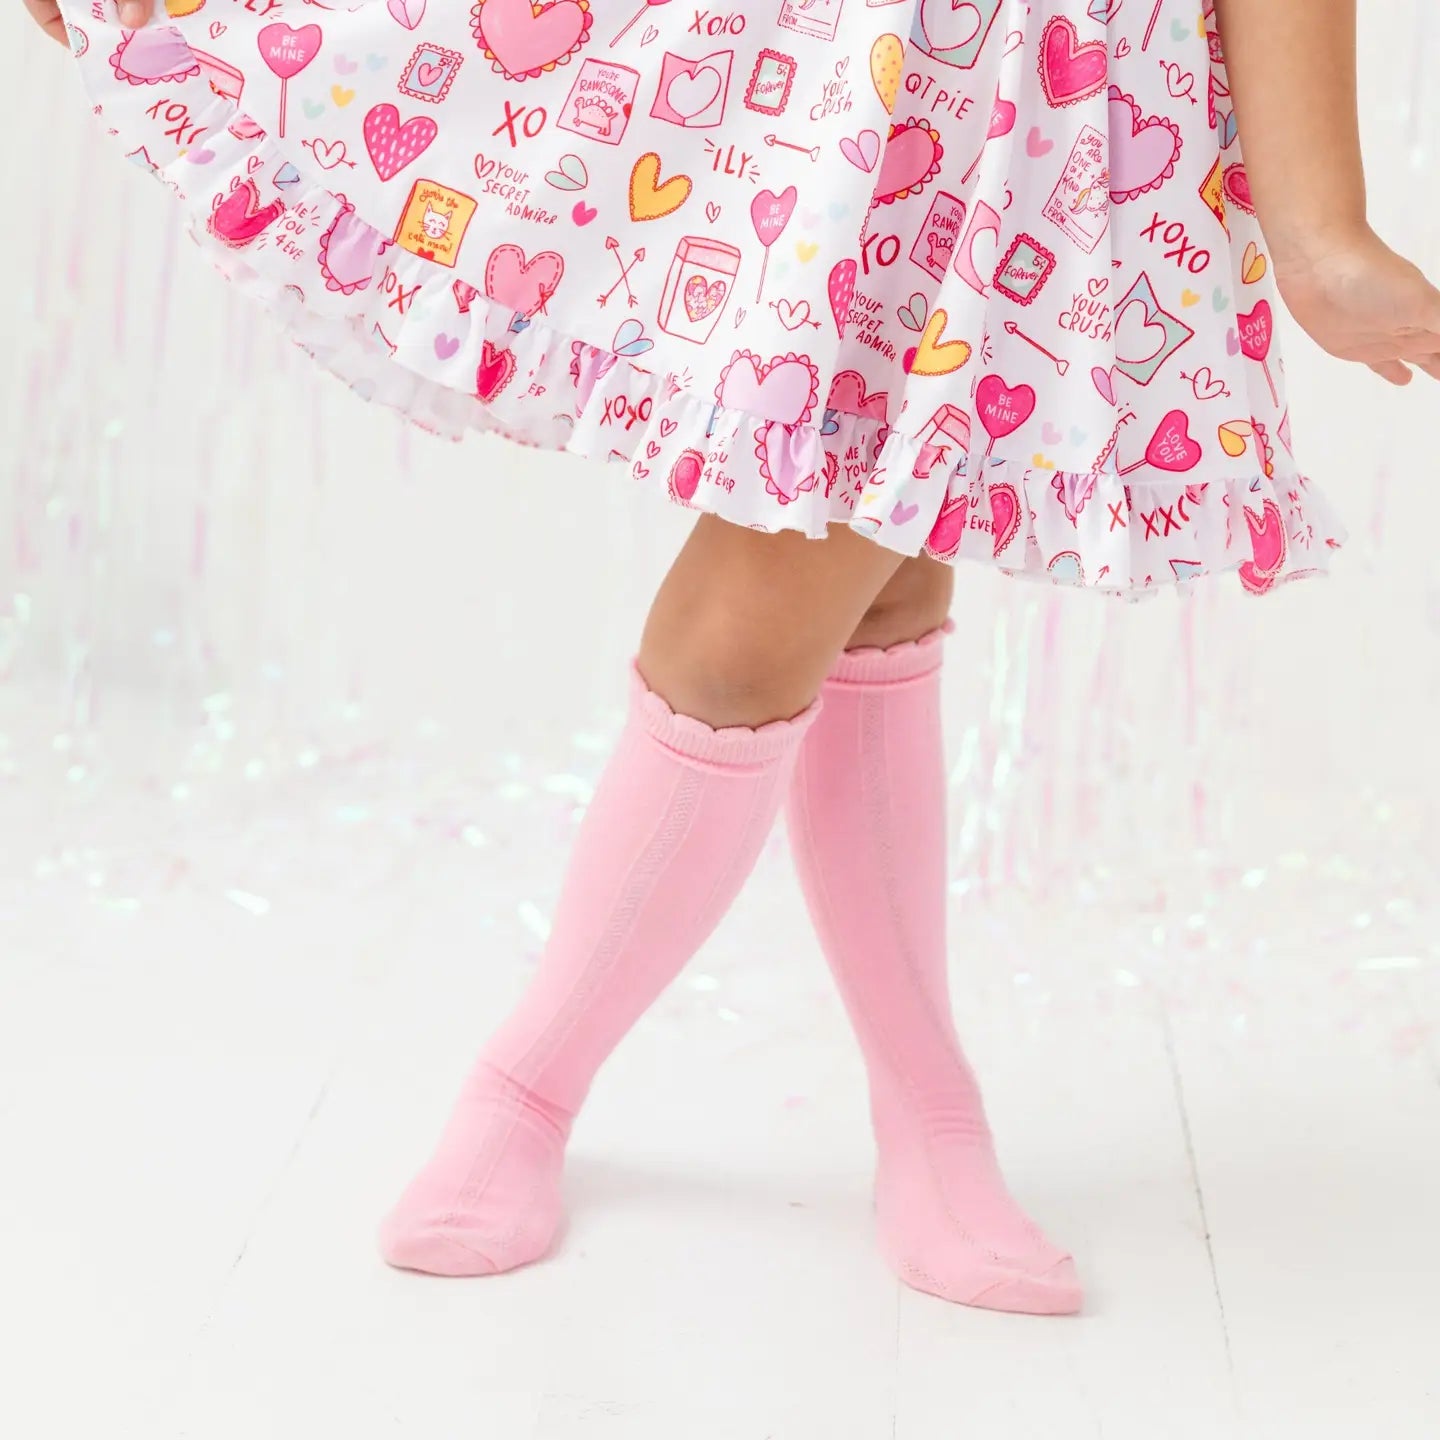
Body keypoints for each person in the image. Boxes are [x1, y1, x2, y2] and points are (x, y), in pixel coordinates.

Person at [27, 0, 1440, 1315]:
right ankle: (583, 1089)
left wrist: (1321, 223)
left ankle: (885, 1110)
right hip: (845, 76)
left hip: (1051, 109)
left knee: (866, 573)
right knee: (775, 608)